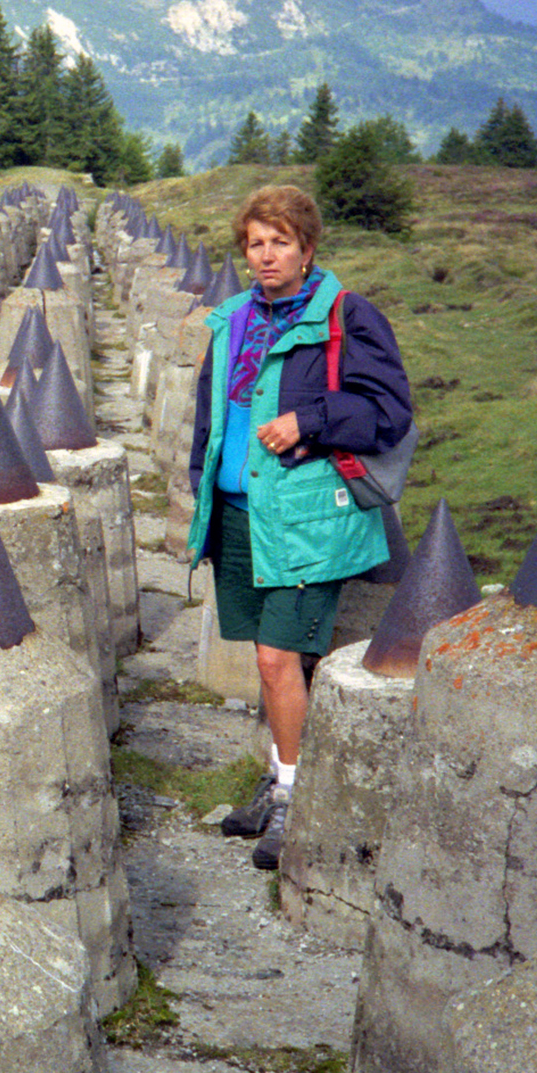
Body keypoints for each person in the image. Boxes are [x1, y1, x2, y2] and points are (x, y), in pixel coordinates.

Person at [187, 184, 412, 869]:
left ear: (308, 248)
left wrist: (308, 421)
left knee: (276, 659)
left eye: (280, 241)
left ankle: (295, 800)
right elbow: (212, 416)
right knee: (266, 652)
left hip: (306, 518)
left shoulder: (347, 316)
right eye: (255, 242)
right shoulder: (231, 321)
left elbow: (387, 410)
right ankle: (284, 776)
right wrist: (200, 490)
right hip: (237, 512)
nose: (266, 255)